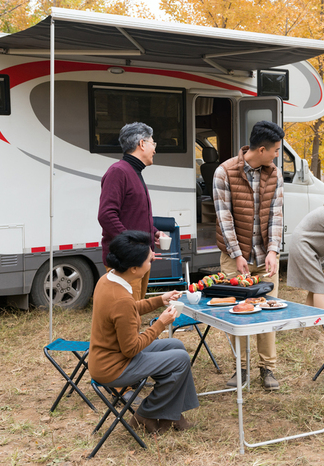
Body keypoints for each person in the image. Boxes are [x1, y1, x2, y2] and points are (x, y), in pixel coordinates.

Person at [88, 230, 199, 434]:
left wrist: (159, 300)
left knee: (176, 345)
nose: (153, 260)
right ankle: (144, 414)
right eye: (149, 260)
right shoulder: (120, 297)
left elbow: (127, 310)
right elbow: (131, 349)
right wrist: (160, 324)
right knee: (181, 358)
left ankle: (173, 414)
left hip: (107, 356)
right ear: (133, 268)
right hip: (113, 366)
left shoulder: (108, 279)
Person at [212, 120, 284, 390]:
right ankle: (240, 368)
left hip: (264, 255)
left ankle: (268, 369)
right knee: (237, 314)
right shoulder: (224, 172)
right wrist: (237, 254)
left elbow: (277, 214)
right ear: (262, 149)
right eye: (275, 150)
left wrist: (274, 250)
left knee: (267, 312)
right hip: (234, 258)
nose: (277, 154)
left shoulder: (274, 173)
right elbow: (224, 217)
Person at [98, 122, 168, 301]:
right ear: (142, 144)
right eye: (153, 143)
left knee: (135, 314)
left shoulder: (134, 171)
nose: (154, 149)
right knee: (128, 317)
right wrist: (134, 246)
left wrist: (154, 233)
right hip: (126, 262)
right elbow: (107, 215)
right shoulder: (118, 172)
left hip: (139, 260)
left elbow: (134, 216)